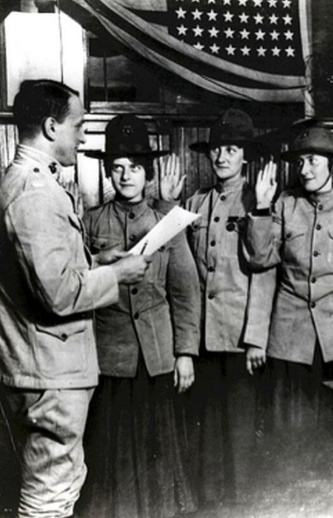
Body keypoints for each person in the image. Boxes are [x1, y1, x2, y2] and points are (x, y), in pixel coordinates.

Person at [0, 80, 150, 518]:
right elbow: (59, 295)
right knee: (50, 497)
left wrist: (95, 259)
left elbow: (40, 270)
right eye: (79, 125)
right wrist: (116, 274)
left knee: (55, 487)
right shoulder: (35, 193)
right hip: (50, 373)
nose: (84, 136)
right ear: (51, 127)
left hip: (39, 366)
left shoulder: (23, 182)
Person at [79, 115, 201, 518]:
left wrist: (184, 352)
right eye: (116, 167)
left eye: (134, 167)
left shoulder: (169, 222)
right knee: (110, 454)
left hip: (157, 354)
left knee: (157, 451)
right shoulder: (91, 222)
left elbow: (185, 292)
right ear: (107, 171)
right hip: (109, 357)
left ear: (147, 172)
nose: (125, 175)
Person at [159, 108, 275, 505]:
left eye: (231, 149)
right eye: (217, 150)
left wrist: (257, 337)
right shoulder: (195, 202)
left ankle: (242, 508)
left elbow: (264, 272)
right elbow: (169, 264)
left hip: (240, 338)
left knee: (241, 435)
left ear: (245, 155)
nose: (222, 157)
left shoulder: (260, 202)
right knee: (204, 433)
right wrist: (166, 204)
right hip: (202, 339)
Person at [247, 127, 333, 430]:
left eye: (312, 161)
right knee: (288, 428)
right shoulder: (285, 204)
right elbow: (262, 264)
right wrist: (261, 207)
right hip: (288, 339)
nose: (304, 170)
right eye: (300, 163)